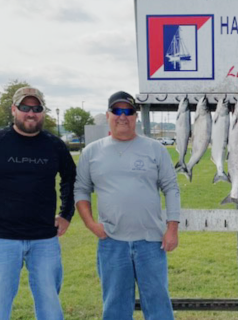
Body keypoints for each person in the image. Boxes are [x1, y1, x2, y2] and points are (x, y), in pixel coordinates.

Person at [0, 86, 76, 320]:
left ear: (43, 112)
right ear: (13, 110)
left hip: (45, 240)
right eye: (25, 107)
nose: (31, 113)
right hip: (2, 239)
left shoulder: (54, 145)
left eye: (37, 108)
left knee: (50, 305)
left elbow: (71, 178)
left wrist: (66, 213)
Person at [74, 91, 180, 320]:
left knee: (159, 306)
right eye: (117, 111)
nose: (123, 116)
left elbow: (171, 188)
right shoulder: (92, 152)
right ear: (108, 115)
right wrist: (92, 224)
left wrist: (172, 229)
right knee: (115, 308)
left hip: (151, 243)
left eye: (128, 111)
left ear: (135, 117)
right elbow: (81, 190)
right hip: (112, 243)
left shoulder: (155, 149)